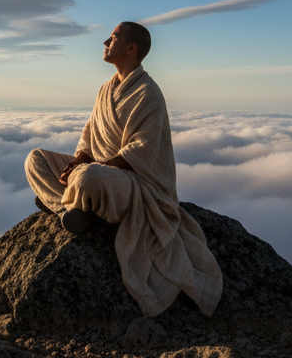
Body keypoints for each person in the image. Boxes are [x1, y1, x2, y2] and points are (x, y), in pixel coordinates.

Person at [23, 22, 223, 318]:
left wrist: (89, 169)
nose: (105, 41)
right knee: (35, 159)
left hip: (132, 182)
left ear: (131, 48)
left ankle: (77, 200)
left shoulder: (148, 92)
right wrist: (78, 160)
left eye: (113, 37)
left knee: (88, 178)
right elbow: (90, 133)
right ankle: (70, 211)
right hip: (97, 172)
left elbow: (141, 150)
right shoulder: (105, 89)